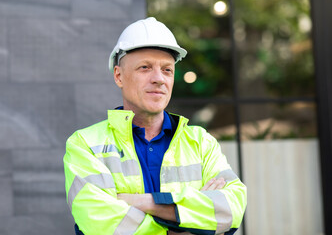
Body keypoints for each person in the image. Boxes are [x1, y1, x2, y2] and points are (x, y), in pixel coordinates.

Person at [64, 17, 247, 235]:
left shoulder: (201, 142)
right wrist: (185, 227)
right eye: (145, 67)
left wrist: (147, 202)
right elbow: (102, 225)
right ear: (119, 76)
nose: (159, 79)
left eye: (167, 70)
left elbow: (230, 209)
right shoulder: (85, 144)